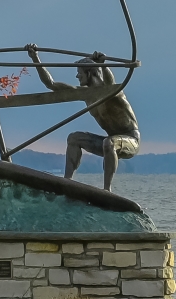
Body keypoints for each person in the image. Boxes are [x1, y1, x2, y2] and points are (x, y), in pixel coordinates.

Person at [26, 44, 140, 190]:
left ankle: (107, 189)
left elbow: (109, 82)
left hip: (130, 140)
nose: (77, 76)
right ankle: (67, 183)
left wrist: (102, 65)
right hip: (109, 142)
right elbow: (52, 84)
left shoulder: (112, 91)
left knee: (109, 142)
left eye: (79, 72)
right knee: (74, 138)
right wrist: (35, 58)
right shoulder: (86, 95)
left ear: (90, 73)